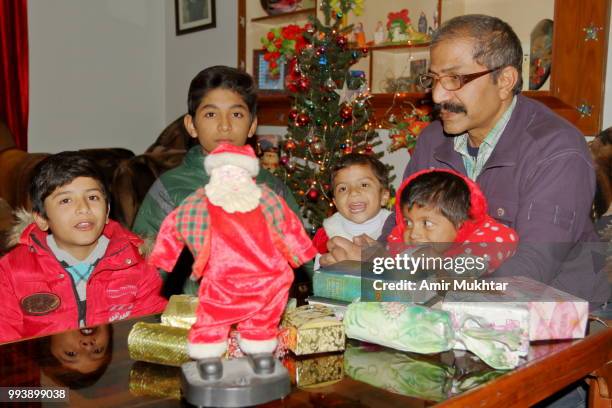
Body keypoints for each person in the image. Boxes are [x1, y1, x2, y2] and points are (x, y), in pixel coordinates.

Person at [329, 14, 609, 308]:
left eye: (455, 79)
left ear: (504, 81)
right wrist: (372, 259)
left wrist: (405, 278)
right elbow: (399, 227)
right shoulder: (432, 141)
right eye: (434, 80)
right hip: (454, 305)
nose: (437, 95)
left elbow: (529, 272)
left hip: (561, 317)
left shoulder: (557, 150)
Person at [132, 65, 306, 294]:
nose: (225, 125)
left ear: (252, 124)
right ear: (191, 125)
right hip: (191, 318)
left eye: (236, 114)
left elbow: (301, 262)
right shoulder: (169, 188)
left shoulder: (272, 188)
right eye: (211, 114)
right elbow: (142, 270)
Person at [149, 143, 316, 362]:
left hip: (268, 279)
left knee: (264, 318)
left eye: (237, 171)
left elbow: (289, 226)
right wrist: (164, 258)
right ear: (214, 175)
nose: (231, 178)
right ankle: (207, 356)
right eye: (224, 172)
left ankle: (260, 351)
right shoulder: (199, 203)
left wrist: (303, 253)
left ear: (248, 174)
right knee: (212, 317)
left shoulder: (267, 199)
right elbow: (174, 226)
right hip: (221, 280)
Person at [0, 152, 167, 343]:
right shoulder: (11, 272)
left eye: (93, 197)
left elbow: (152, 338)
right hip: (47, 368)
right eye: (66, 200)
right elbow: (7, 345)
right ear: (42, 219)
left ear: (107, 212)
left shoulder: (137, 264)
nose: (83, 208)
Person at [389, 168, 517, 273]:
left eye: (427, 223)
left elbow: (505, 239)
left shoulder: (483, 242)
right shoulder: (402, 241)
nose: (413, 234)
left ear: (460, 223)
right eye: (408, 222)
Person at [313, 153, 390, 266]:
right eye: (343, 188)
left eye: (364, 185)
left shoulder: (397, 229)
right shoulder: (326, 235)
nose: (353, 192)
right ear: (335, 202)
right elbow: (318, 276)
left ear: (383, 196)